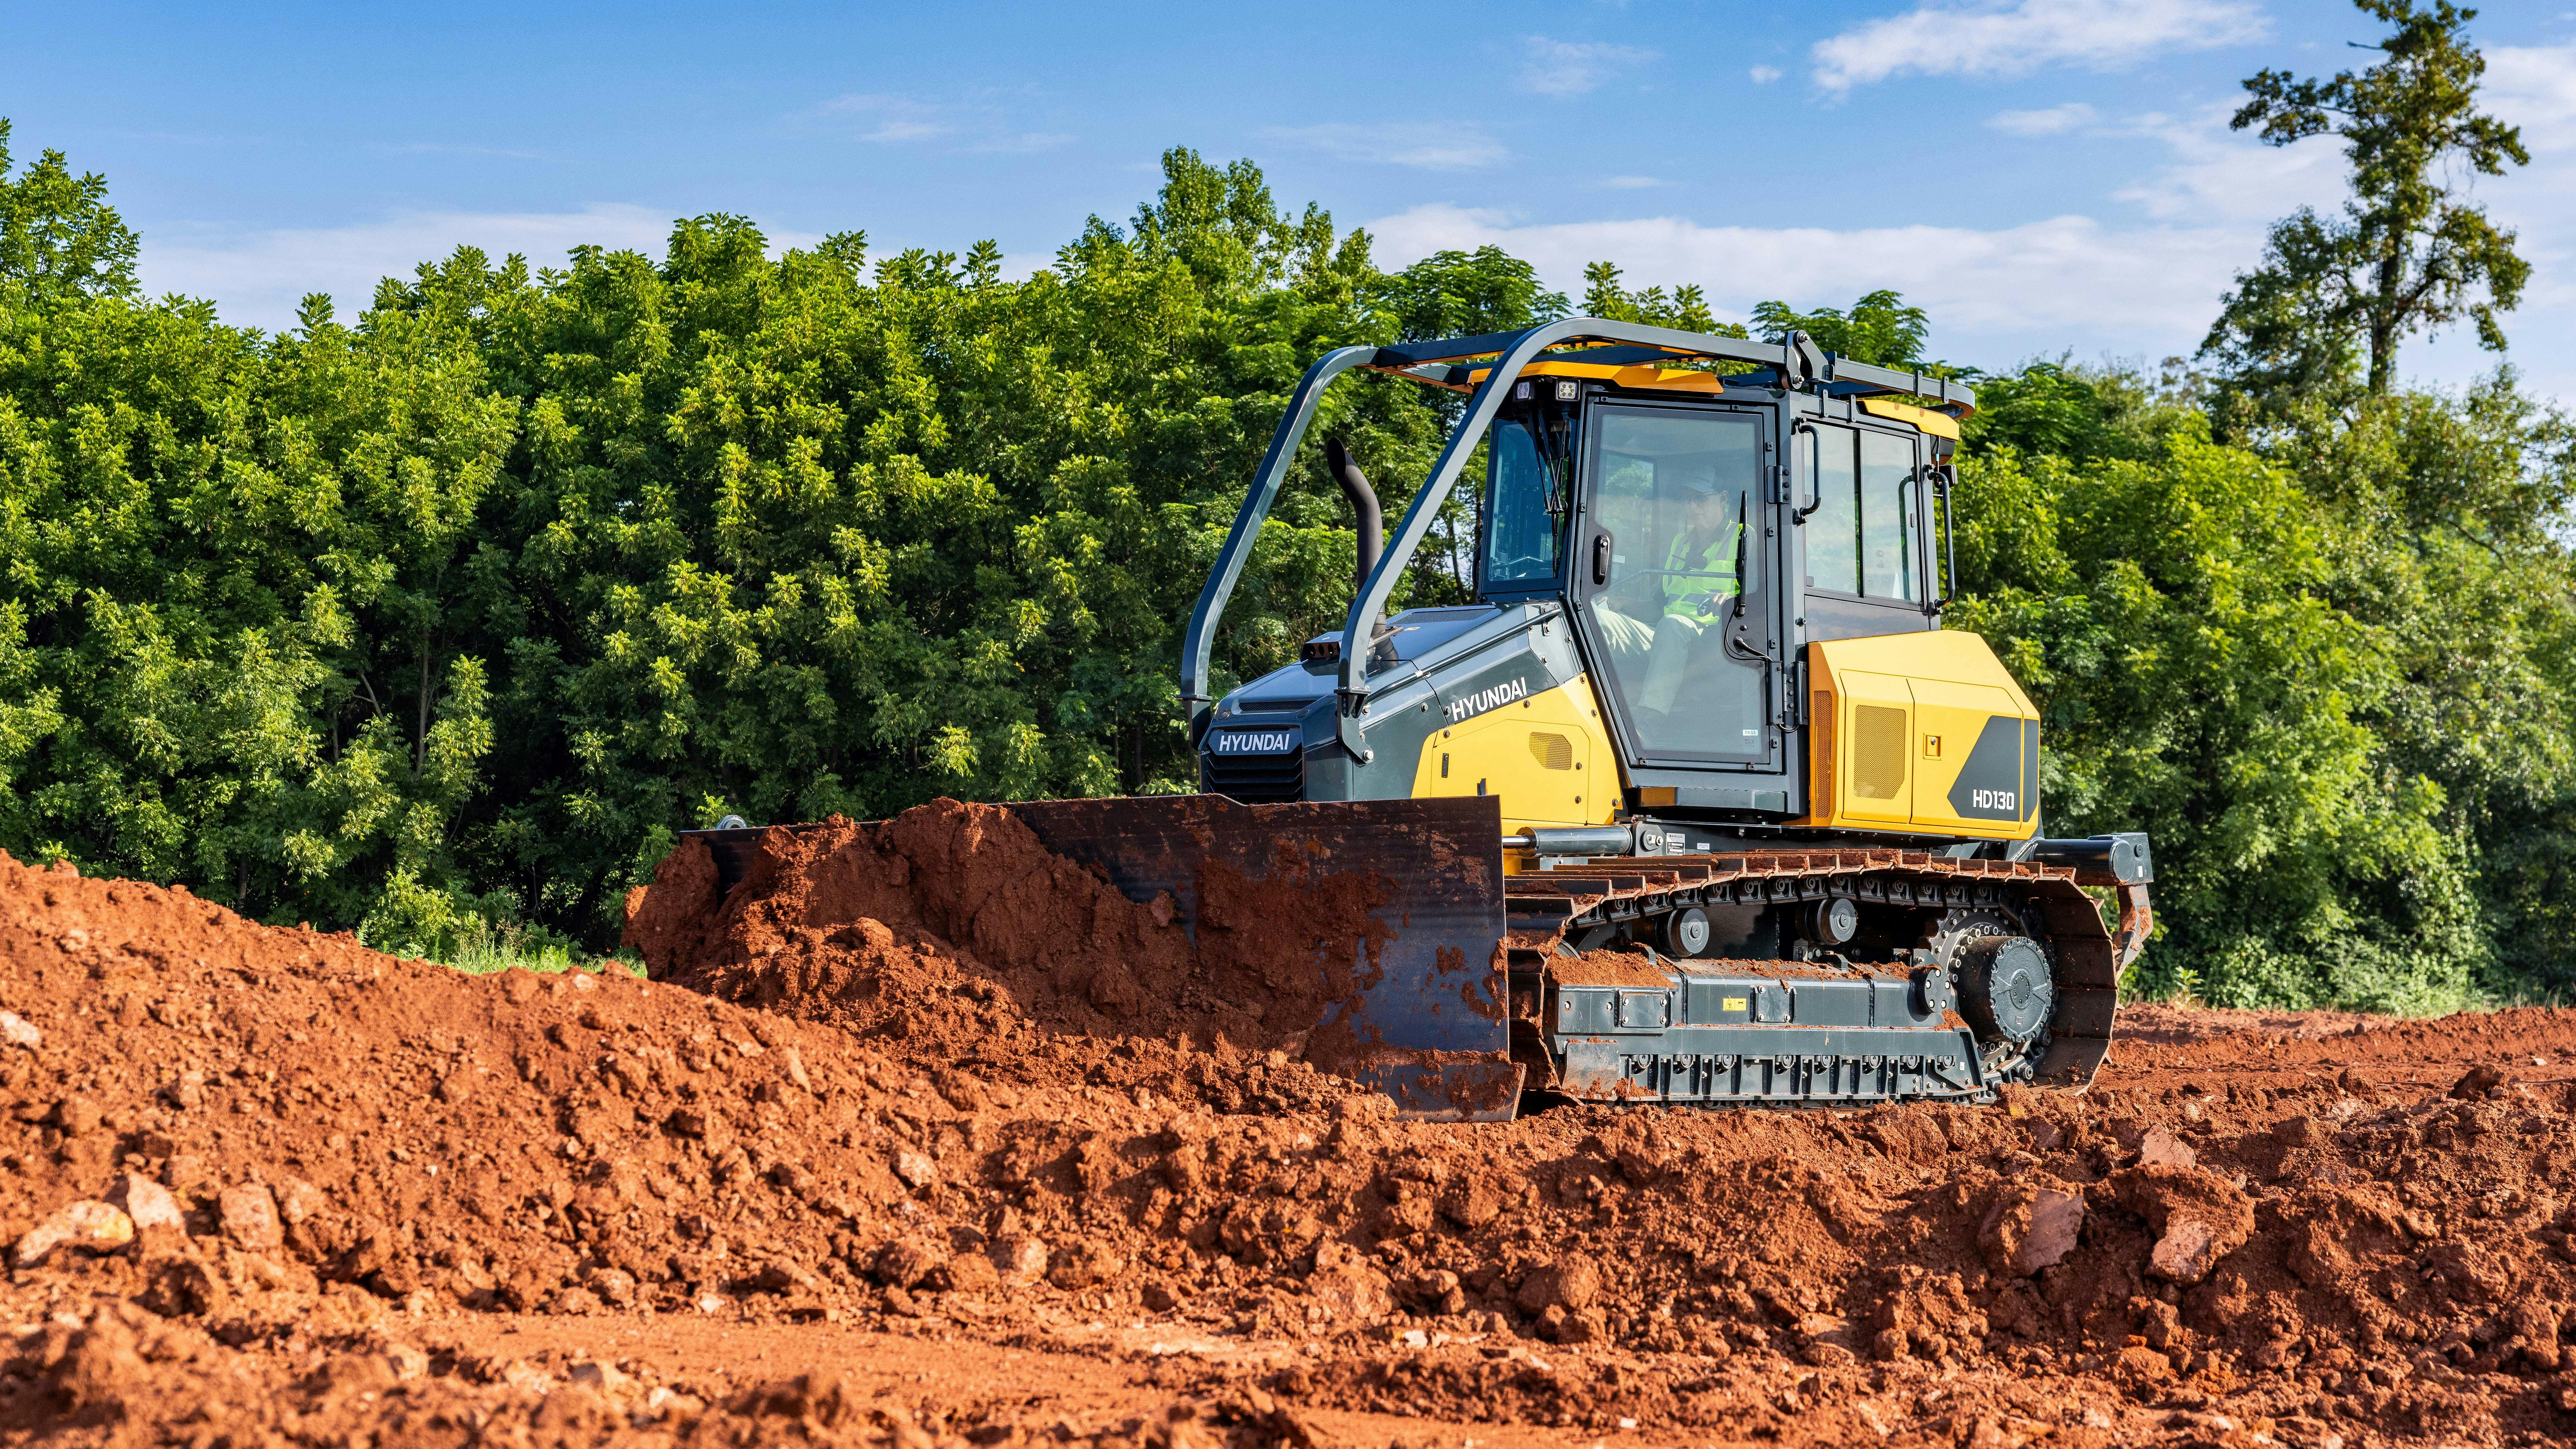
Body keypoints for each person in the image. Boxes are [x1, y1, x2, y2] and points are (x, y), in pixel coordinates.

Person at [1591, 469, 1741, 714]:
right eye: (1687, 499)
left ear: (1723, 499)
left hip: (1711, 638)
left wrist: (1732, 600)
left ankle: (1650, 717)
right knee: (1593, 615)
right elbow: (1660, 607)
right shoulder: (1679, 544)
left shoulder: (1743, 539)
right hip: (1666, 635)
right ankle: (1599, 709)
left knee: (1672, 625)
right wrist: (1624, 603)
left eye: (1700, 499)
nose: (1692, 507)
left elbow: (1762, 598)